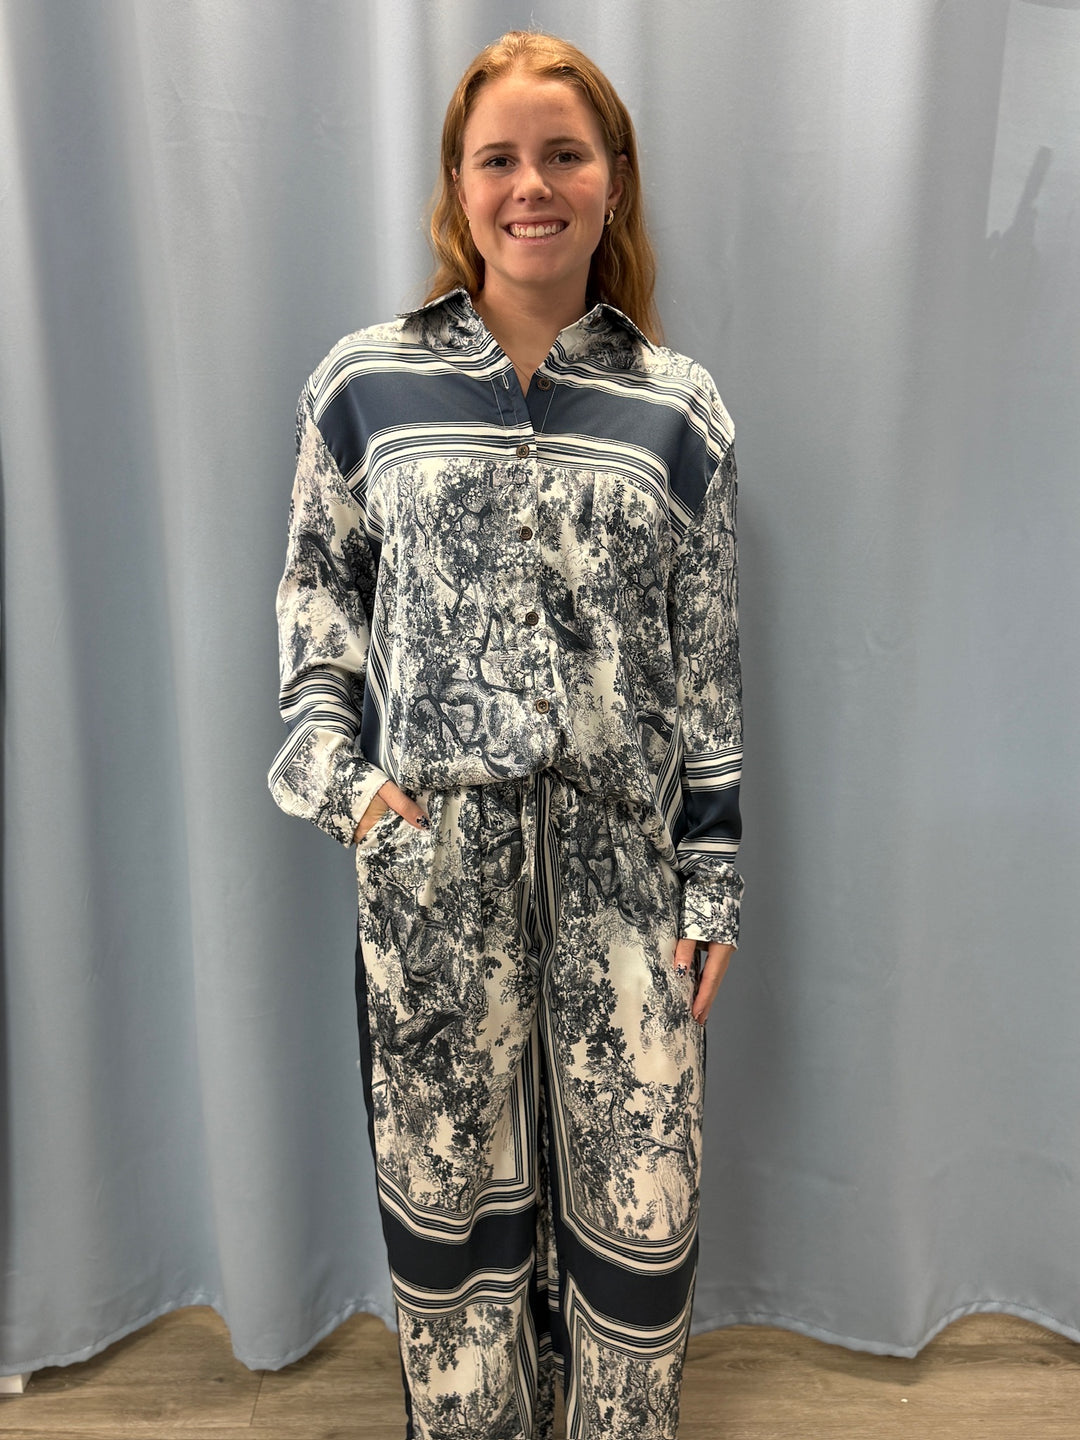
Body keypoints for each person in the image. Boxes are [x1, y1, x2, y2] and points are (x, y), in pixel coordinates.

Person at [269, 29, 744, 1440]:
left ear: (613, 181)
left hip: (625, 883)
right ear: (456, 187)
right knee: (454, 1209)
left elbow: (707, 664)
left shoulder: (679, 408)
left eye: (564, 153)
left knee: (638, 1204)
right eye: (499, 158)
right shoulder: (365, 386)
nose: (531, 185)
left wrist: (713, 876)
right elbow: (315, 596)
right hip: (433, 874)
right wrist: (347, 787)